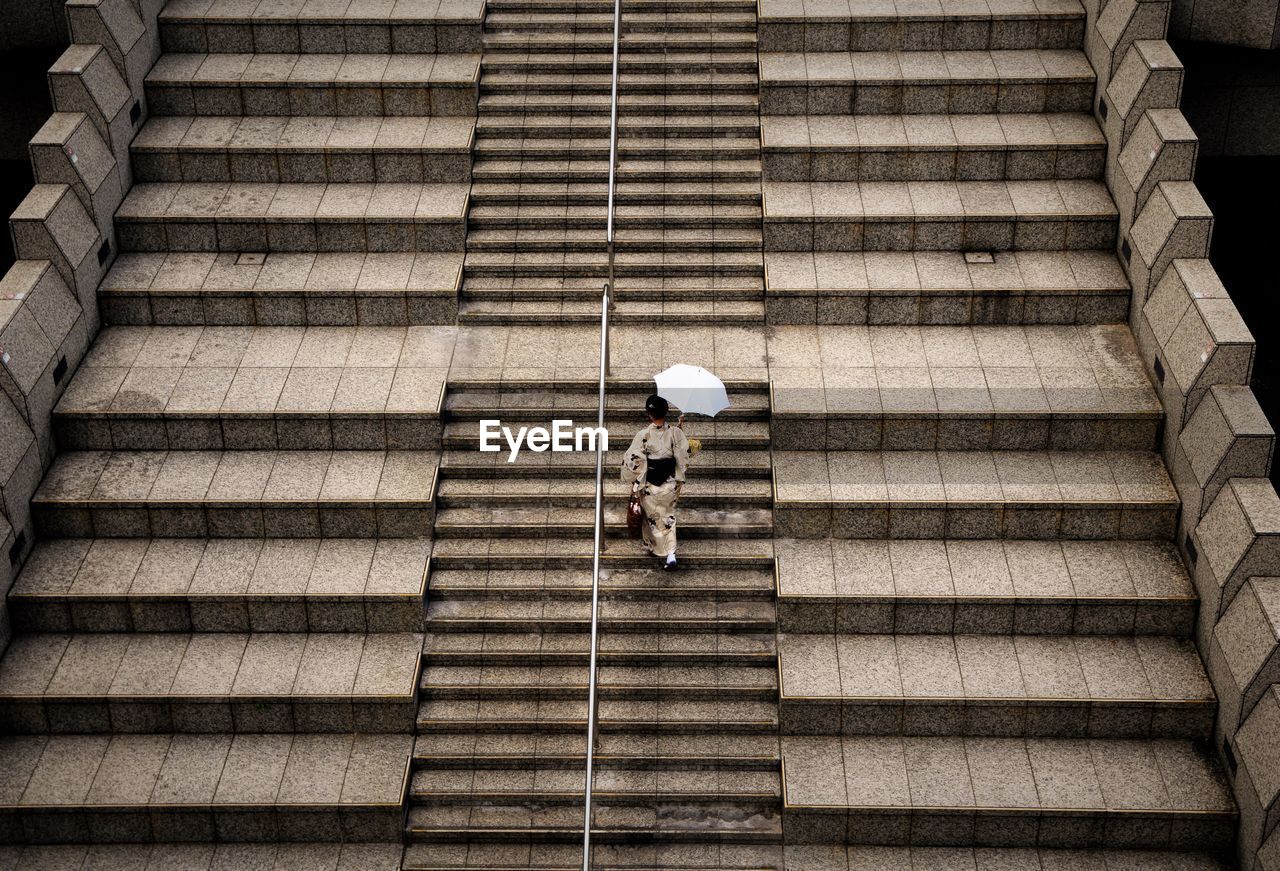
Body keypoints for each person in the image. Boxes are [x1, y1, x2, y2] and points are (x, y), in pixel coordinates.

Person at [621, 394, 692, 570]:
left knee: (654, 518)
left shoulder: (643, 435)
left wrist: (635, 479)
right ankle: (664, 551)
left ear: (649, 414)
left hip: (650, 484)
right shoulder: (675, 432)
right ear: (666, 412)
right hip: (669, 483)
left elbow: (633, 459)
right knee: (667, 516)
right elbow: (684, 456)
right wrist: (678, 434)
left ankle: (661, 550)